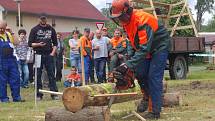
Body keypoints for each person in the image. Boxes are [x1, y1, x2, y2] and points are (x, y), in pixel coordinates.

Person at [110, 0, 170, 119]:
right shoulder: (126, 23)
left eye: (120, 17)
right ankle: (146, 97)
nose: (119, 21)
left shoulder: (142, 20)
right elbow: (132, 43)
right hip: (145, 48)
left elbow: (144, 48)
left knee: (153, 77)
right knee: (140, 73)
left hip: (159, 46)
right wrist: (129, 61)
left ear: (127, 11)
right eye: (117, 18)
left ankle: (155, 111)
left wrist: (127, 65)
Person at [28, 13, 59, 100]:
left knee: (51, 74)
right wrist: (38, 44)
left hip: (49, 54)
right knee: (38, 74)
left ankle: (54, 94)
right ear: (39, 19)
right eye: (41, 19)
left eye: (44, 19)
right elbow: (30, 44)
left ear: (46, 19)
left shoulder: (51, 29)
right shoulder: (34, 29)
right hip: (38, 54)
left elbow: (56, 43)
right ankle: (39, 94)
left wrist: (53, 53)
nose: (43, 20)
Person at [0, 20, 24, 102]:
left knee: (15, 79)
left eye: (3, 28)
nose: (1, 30)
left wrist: (12, 32)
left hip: (11, 60)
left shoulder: (8, 35)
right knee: (2, 81)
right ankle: (4, 98)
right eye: (0, 28)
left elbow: (17, 43)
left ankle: (17, 97)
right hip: (1, 61)